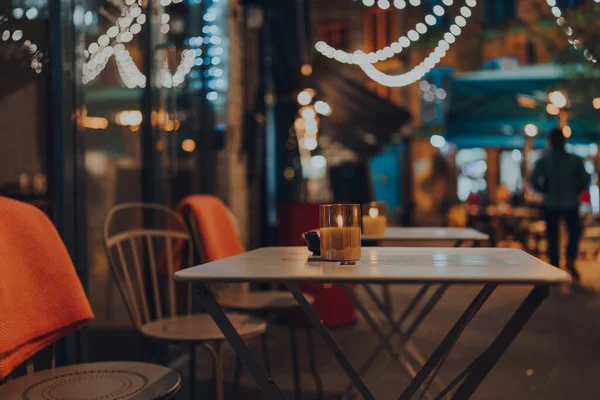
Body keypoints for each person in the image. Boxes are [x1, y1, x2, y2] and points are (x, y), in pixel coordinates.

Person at [531, 128, 590, 280]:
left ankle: (555, 265)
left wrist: (544, 190)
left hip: (552, 202)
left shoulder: (544, 160)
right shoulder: (574, 160)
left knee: (553, 236)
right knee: (574, 231)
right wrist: (575, 189)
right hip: (569, 202)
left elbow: (533, 180)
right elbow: (585, 181)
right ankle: (569, 261)